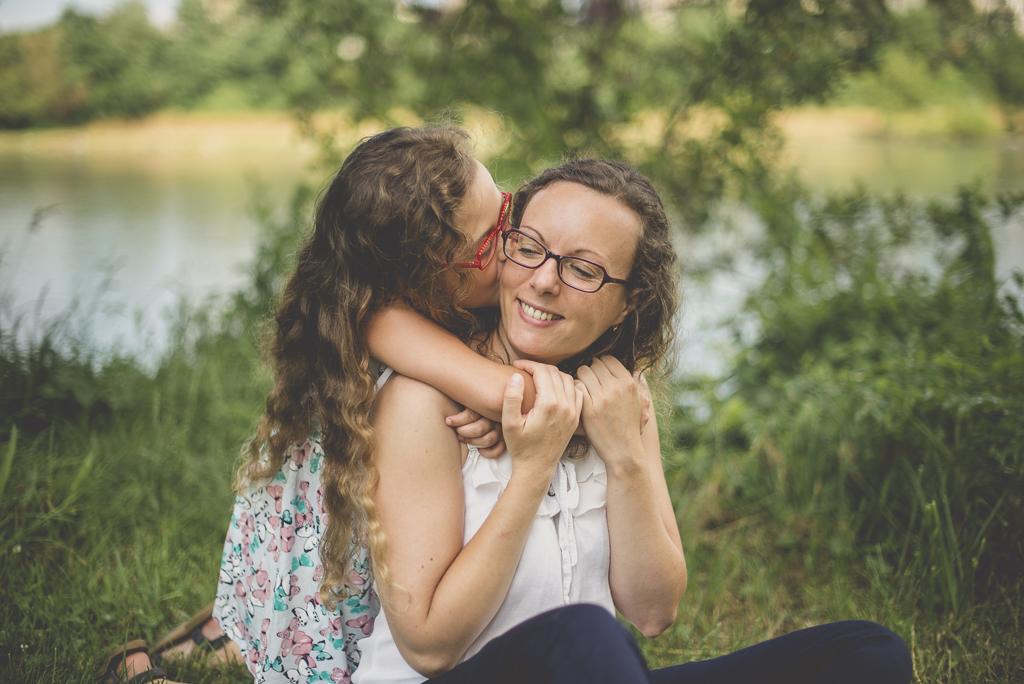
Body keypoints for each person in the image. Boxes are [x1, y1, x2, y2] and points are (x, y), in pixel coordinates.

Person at [335, 158, 914, 684]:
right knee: (585, 633)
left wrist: (626, 457)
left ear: (629, 301)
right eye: (528, 247)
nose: (543, 280)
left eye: (584, 270)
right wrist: (532, 469)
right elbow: (429, 647)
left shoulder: (616, 401)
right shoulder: (425, 400)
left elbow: (653, 610)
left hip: (593, 669)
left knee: (866, 651)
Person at [101, 125, 539, 684]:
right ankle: (150, 669)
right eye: (491, 237)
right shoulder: (385, 321)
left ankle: (221, 636)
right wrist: (487, 396)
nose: (513, 235)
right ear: (421, 281)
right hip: (332, 562)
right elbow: (514, 396)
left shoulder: (450, 294)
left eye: (506, 204)